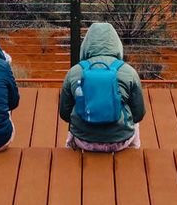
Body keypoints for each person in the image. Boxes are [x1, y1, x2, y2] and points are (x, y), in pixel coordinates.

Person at [58, 22, 146, 152]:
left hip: (83, 140)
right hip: (120, 141)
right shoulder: (129, 72)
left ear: (86, 44)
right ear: (116, 44)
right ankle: (133, 154)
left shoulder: (74, 72)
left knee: (75, 114)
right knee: (134, 121)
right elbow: (139, 114)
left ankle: (70, 156)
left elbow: (65, 114)